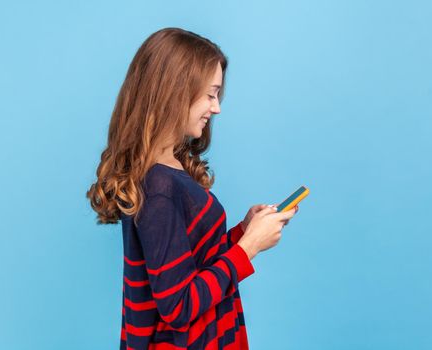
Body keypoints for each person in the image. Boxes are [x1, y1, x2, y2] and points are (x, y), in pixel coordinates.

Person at [86, 27, 299, 350]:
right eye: (211, 94)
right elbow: (179, 305)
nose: (217, 108)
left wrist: (243, 231)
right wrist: (249, 248)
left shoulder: (171, 170)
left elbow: (195, 264)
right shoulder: (159, 187)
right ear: (175, 92)